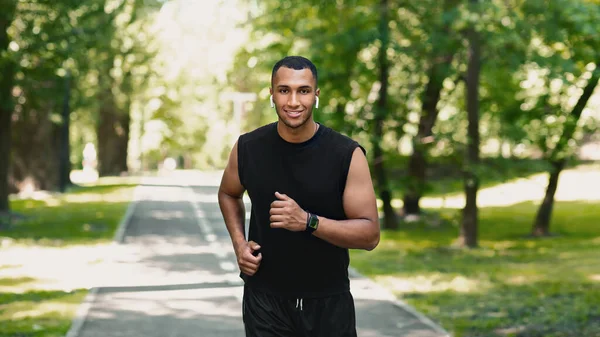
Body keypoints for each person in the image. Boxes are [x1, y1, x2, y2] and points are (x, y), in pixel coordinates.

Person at [218, 55, 380, 337]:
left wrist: (308, 221)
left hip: (328, 303)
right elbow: (228, 194)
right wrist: (239, 244)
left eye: (303, 91)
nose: (293, 102)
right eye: (284, 90)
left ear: (316, 96)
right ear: (272, 94)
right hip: (264, 300)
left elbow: (369, 235)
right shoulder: (248, 148)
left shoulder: (346, 154)